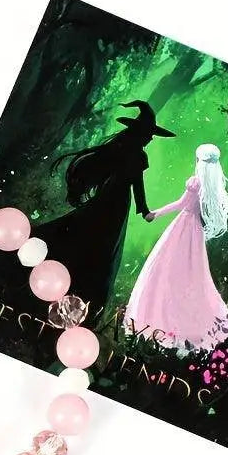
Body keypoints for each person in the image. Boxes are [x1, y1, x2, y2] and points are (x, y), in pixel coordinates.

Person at [35, 100, 174, 314]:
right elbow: (137, 183)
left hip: (110, 196)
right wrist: (144, 209)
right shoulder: (136, 155)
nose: (151, 138)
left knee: (90, 231)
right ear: (141, 133)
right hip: (116, 201)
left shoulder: (122, 148)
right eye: (149, 133)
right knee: (101, 239)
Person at [124, 143, 228, 351]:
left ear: (199, 161)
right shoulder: (210, 187)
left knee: (166, 268)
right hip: (195, 233)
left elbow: (180, 204)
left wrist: (154, 214)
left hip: (183, 228)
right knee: (192, 273)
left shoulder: (196, 183)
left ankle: (159, 316)